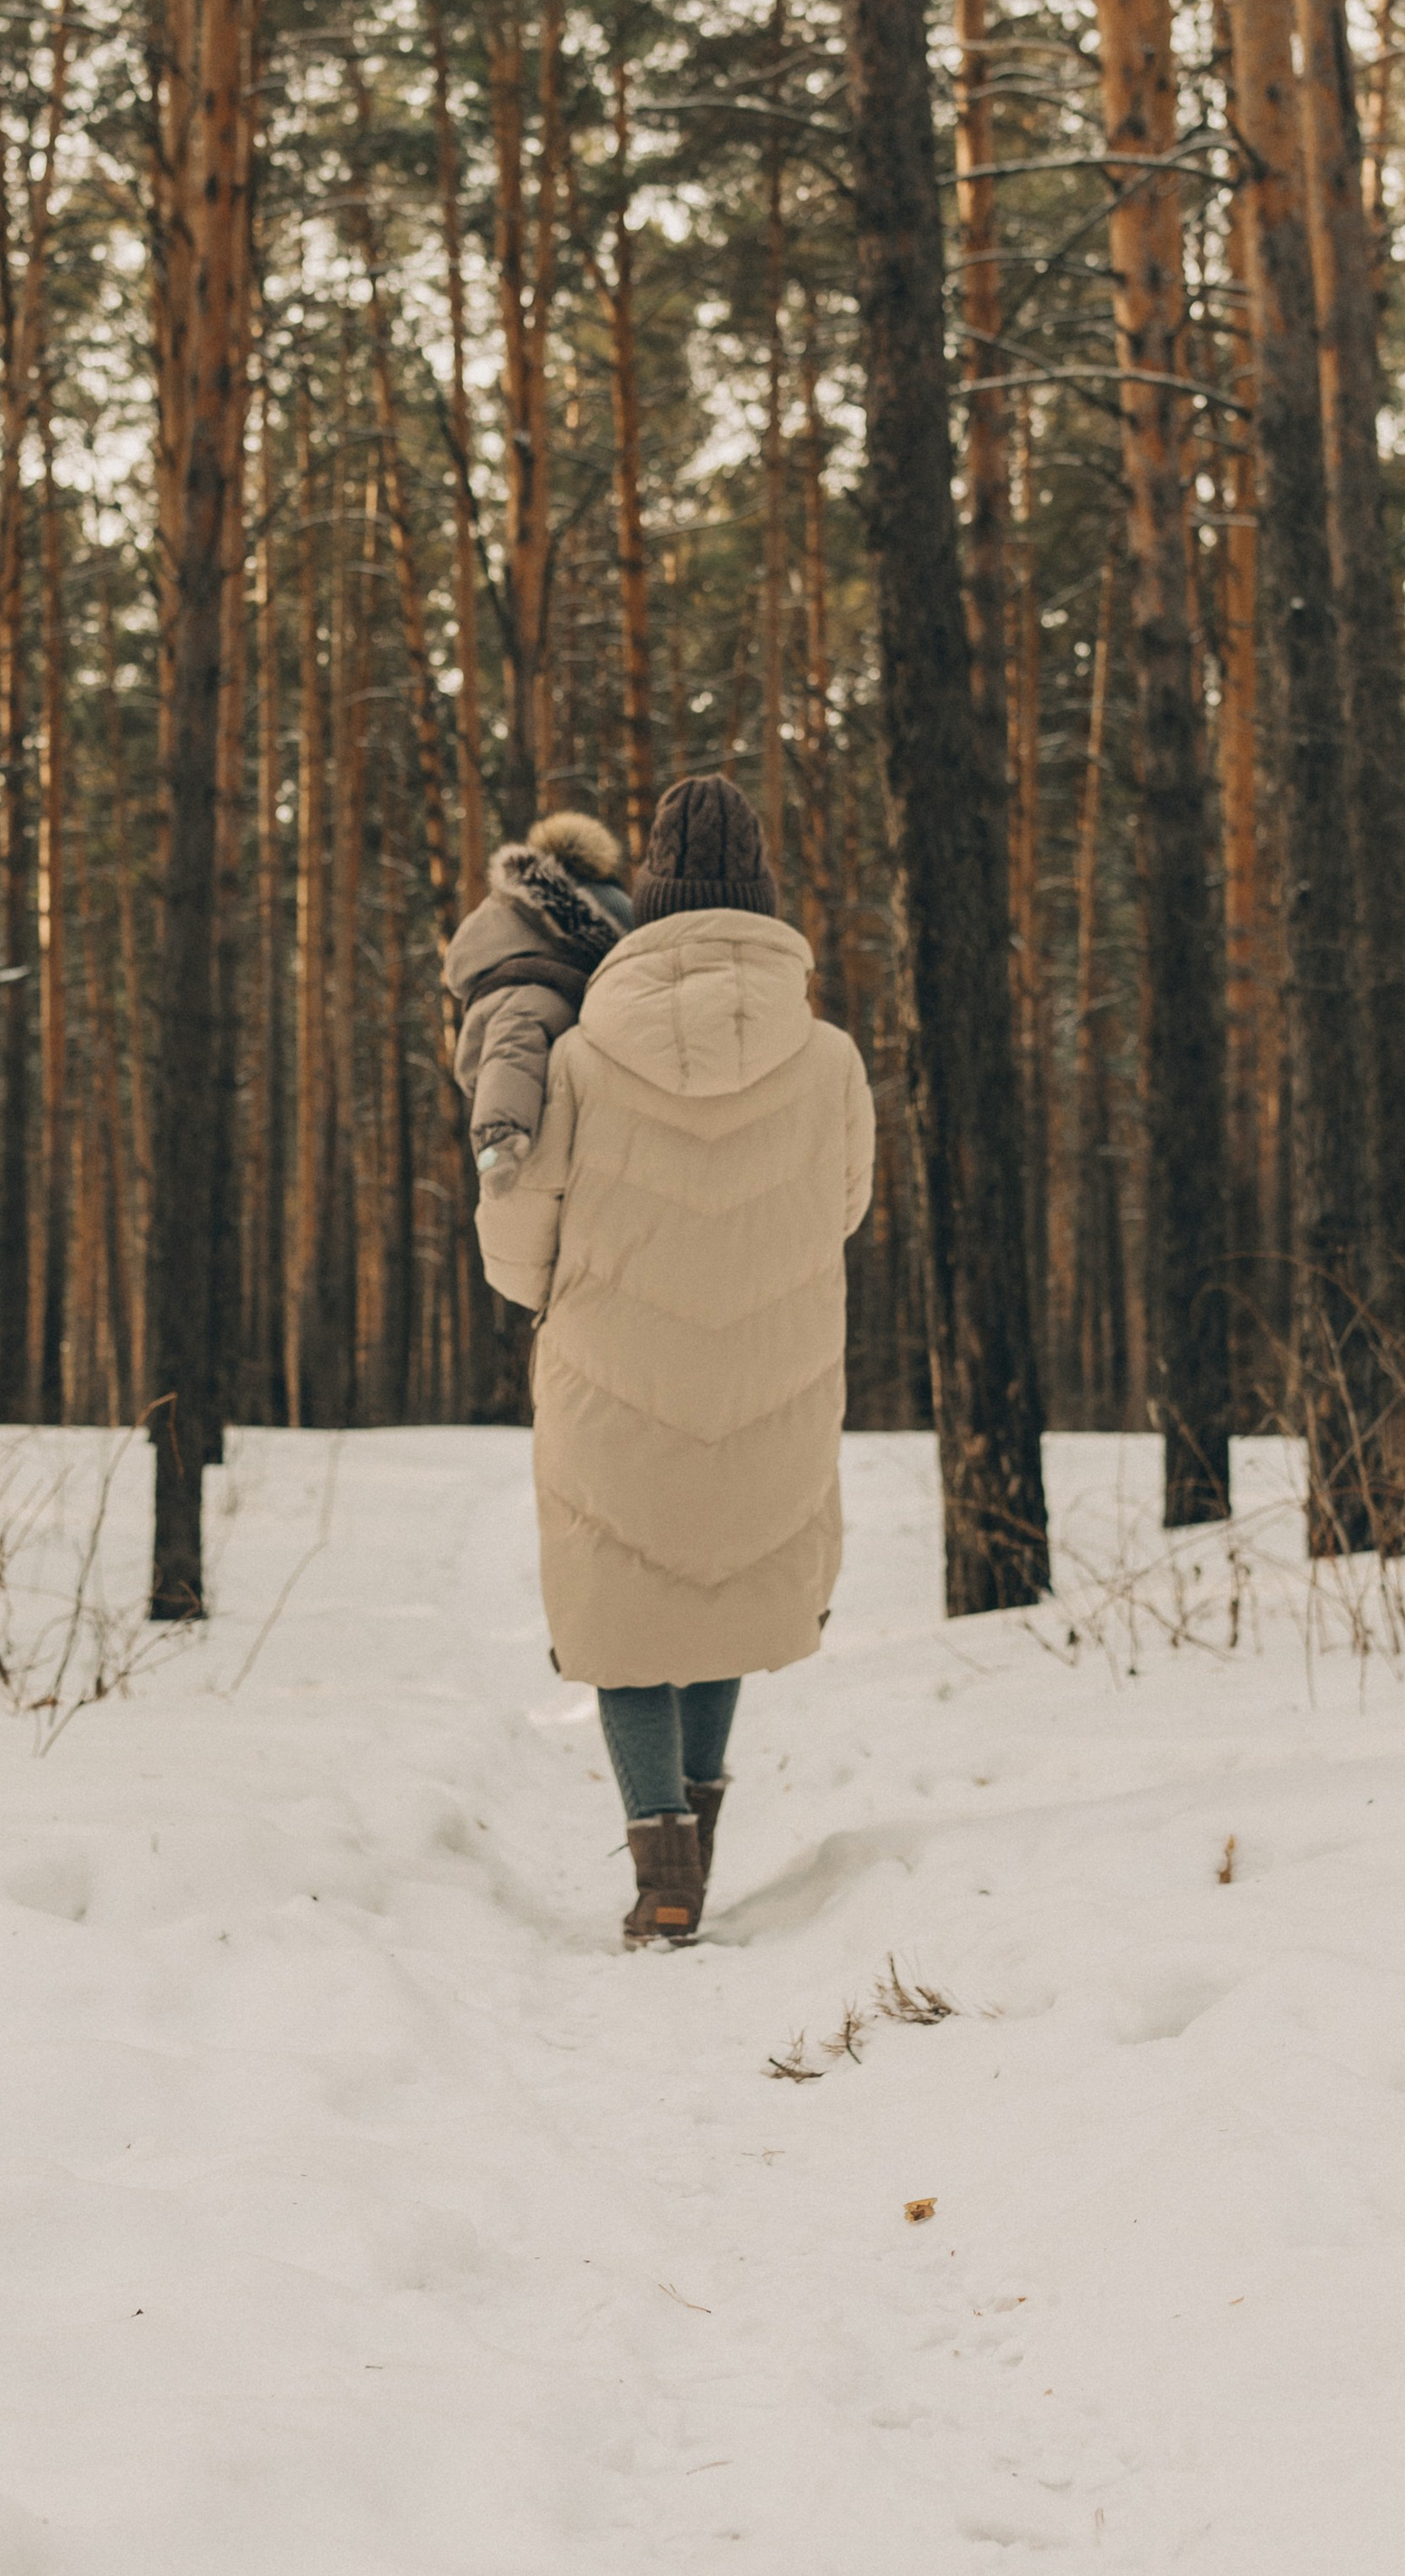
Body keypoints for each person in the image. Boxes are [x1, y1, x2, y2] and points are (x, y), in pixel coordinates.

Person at [476, 773, 876, 1946]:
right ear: (761, 906)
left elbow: (518, 1232)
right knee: (725, 1577)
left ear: (649, 901)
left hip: (612, 1369)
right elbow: (842, 1208)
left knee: (628, 1600)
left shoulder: (587, 1056)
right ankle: (695, 1834)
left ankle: (664, 1861)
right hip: (773, 1370)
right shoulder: (830, 1057)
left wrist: (554, 1298)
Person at [442, 813, 632, 1196]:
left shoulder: (502, 919)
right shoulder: (536, 997)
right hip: (517, 1147)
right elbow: (513, 1050)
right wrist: (499, 1146)